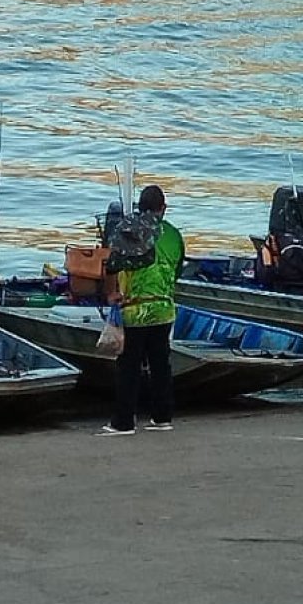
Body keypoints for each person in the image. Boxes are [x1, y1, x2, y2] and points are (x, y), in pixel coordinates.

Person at [98, 184, 185, 436]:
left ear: (140, 206)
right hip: (164, 308)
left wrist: (111, 293)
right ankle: (162, 417)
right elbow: (178, 269)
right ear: (163, 208)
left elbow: (111, 267)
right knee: (161, 365)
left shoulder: (129, 230)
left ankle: (123, 421)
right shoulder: (173, 234)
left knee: (129, 367)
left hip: (135, 309)